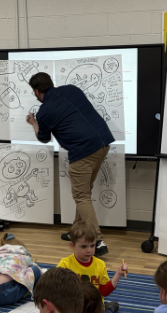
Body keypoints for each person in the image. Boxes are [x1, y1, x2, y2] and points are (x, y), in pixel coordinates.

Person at [26, 71, 114, 256]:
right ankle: (76, 232)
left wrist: (34, 122)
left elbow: (43, 137)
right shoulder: (72, 90)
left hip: (83, 151)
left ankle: (96, 241)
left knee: (81, 196)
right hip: (103, 143)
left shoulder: (45, 111)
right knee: (84, 193)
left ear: (36, 91)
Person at [56, 222, 126, 313]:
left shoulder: (100, 264)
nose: (89, 250)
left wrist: (117, 274)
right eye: (84, 246)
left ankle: (107, 309)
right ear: (72, 246)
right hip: (73, 308)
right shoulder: (65, 264)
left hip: (93, 309)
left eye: (92, 245)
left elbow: (104, 291)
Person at [0, 233, 42, 306]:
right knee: (35, 269)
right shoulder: (25, 256)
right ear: (22, 248)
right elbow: (37, 271)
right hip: (5, 295)